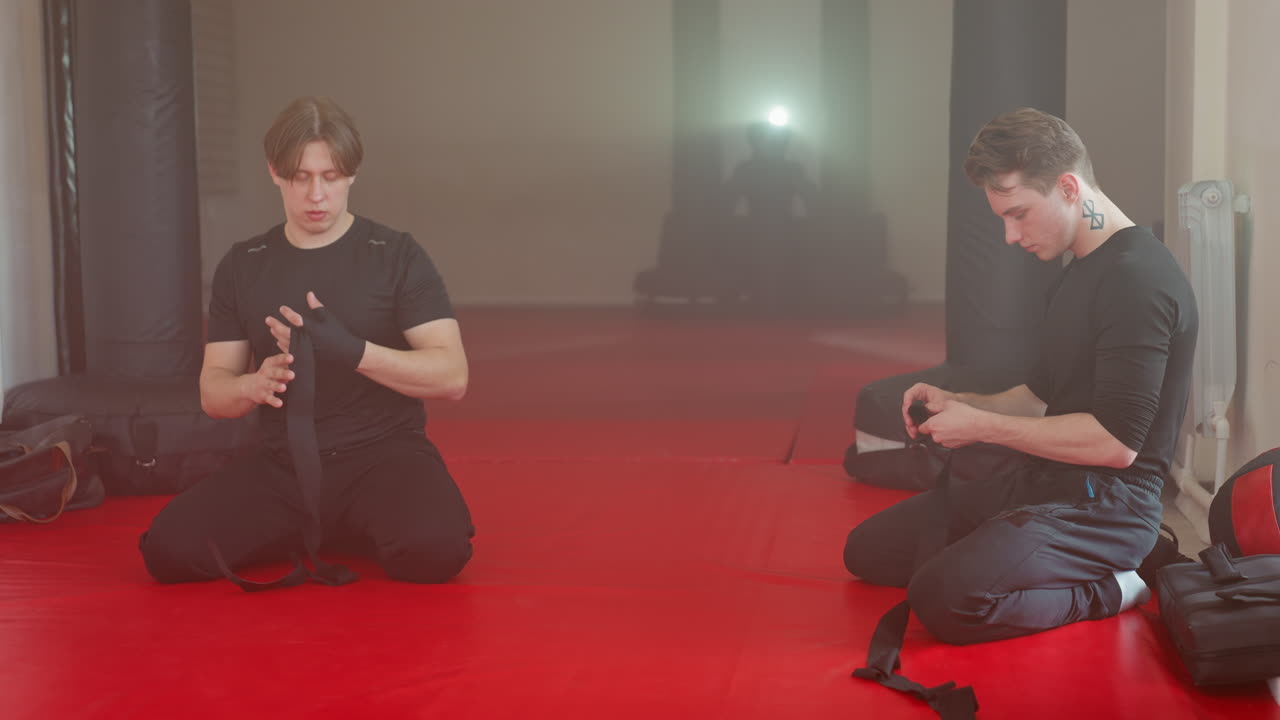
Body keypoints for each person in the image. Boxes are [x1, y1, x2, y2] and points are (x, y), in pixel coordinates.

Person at [843, 107, 1198, 644]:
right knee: (869, 550)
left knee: (944, 597)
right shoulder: (1079, 270)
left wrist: (981, 430)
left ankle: (1119, 585)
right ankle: (1024, 553)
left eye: (1019, 214)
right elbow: (1037, 399)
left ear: (1069, 187)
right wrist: (958, 402)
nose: (1010, 236)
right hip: (1041, 481)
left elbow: (1116, 445)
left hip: (1108, 506)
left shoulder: (1138, 282)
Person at [138, 96, 474, 585]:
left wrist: (352, 350)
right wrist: (254, 384)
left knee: (435, 551)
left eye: (331, 176)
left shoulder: (396, 255)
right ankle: (316, 522)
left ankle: (350, 521)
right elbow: (214, 393)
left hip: (384, 456)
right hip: (285, 466)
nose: (316, 194)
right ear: (275, 172)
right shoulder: (244, 264)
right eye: (300, 176)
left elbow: (453, 378)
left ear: (351, 174)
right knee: (168, 551)